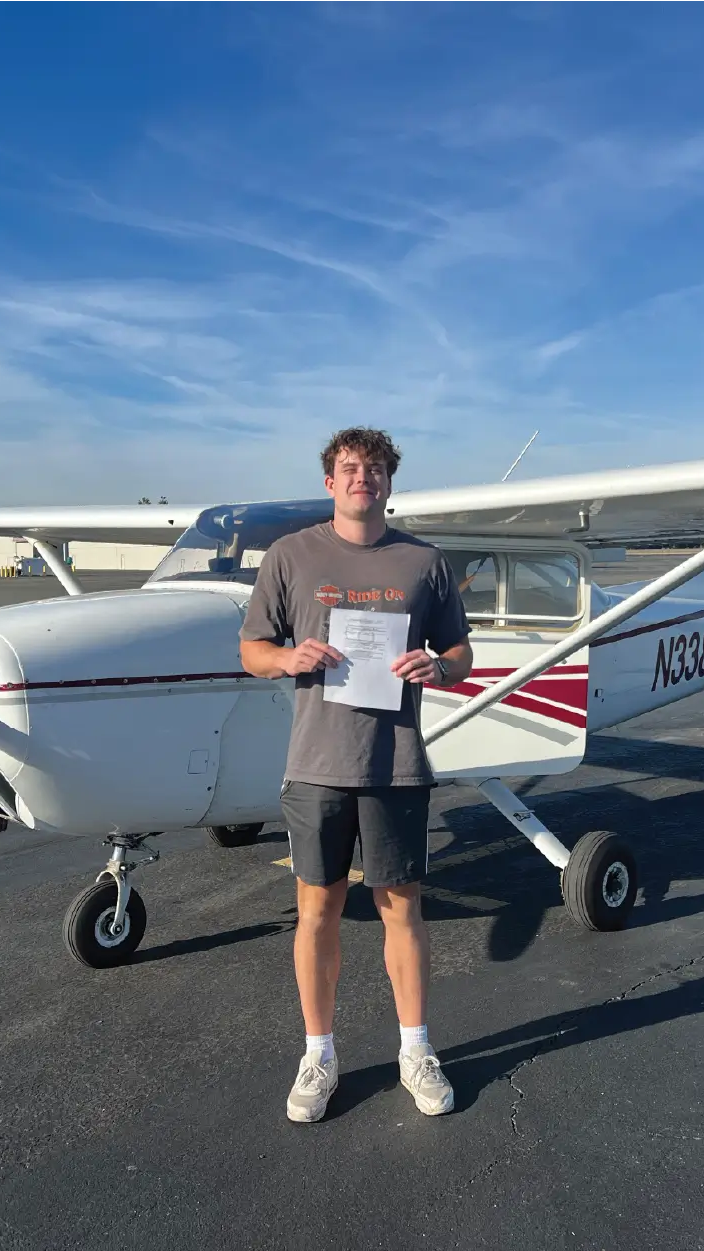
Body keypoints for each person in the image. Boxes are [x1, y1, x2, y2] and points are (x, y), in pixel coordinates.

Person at [239, 427, 475, 1123]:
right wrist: (286, 659)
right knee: (317, 910)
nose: (361, 479)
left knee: (401, 907)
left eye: (374, 469)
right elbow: (253, 647)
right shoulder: (290, 556)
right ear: (329, 482)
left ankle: (415, 1048)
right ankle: (319, 1053)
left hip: (395, 763)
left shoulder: (423, 561)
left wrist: (442, 666)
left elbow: (459, 649)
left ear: (389, 482)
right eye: (349, 468)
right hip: (316, 764)